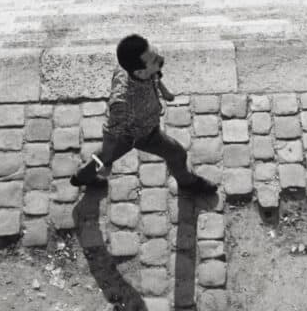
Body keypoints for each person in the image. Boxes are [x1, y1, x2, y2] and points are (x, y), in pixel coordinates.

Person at [70, 34, 216, 193]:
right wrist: (107, 164)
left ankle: (82, 176)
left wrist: (164, 91)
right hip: (135, 135)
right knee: (177, 153)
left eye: (153, 51)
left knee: (104, 156)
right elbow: (111, 133)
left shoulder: (136, 68)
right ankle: (187, 182)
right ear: (139, 72)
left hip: (147, 124)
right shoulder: (122, 102)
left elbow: (154, 75)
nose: (160, 58)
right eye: (154, 60)